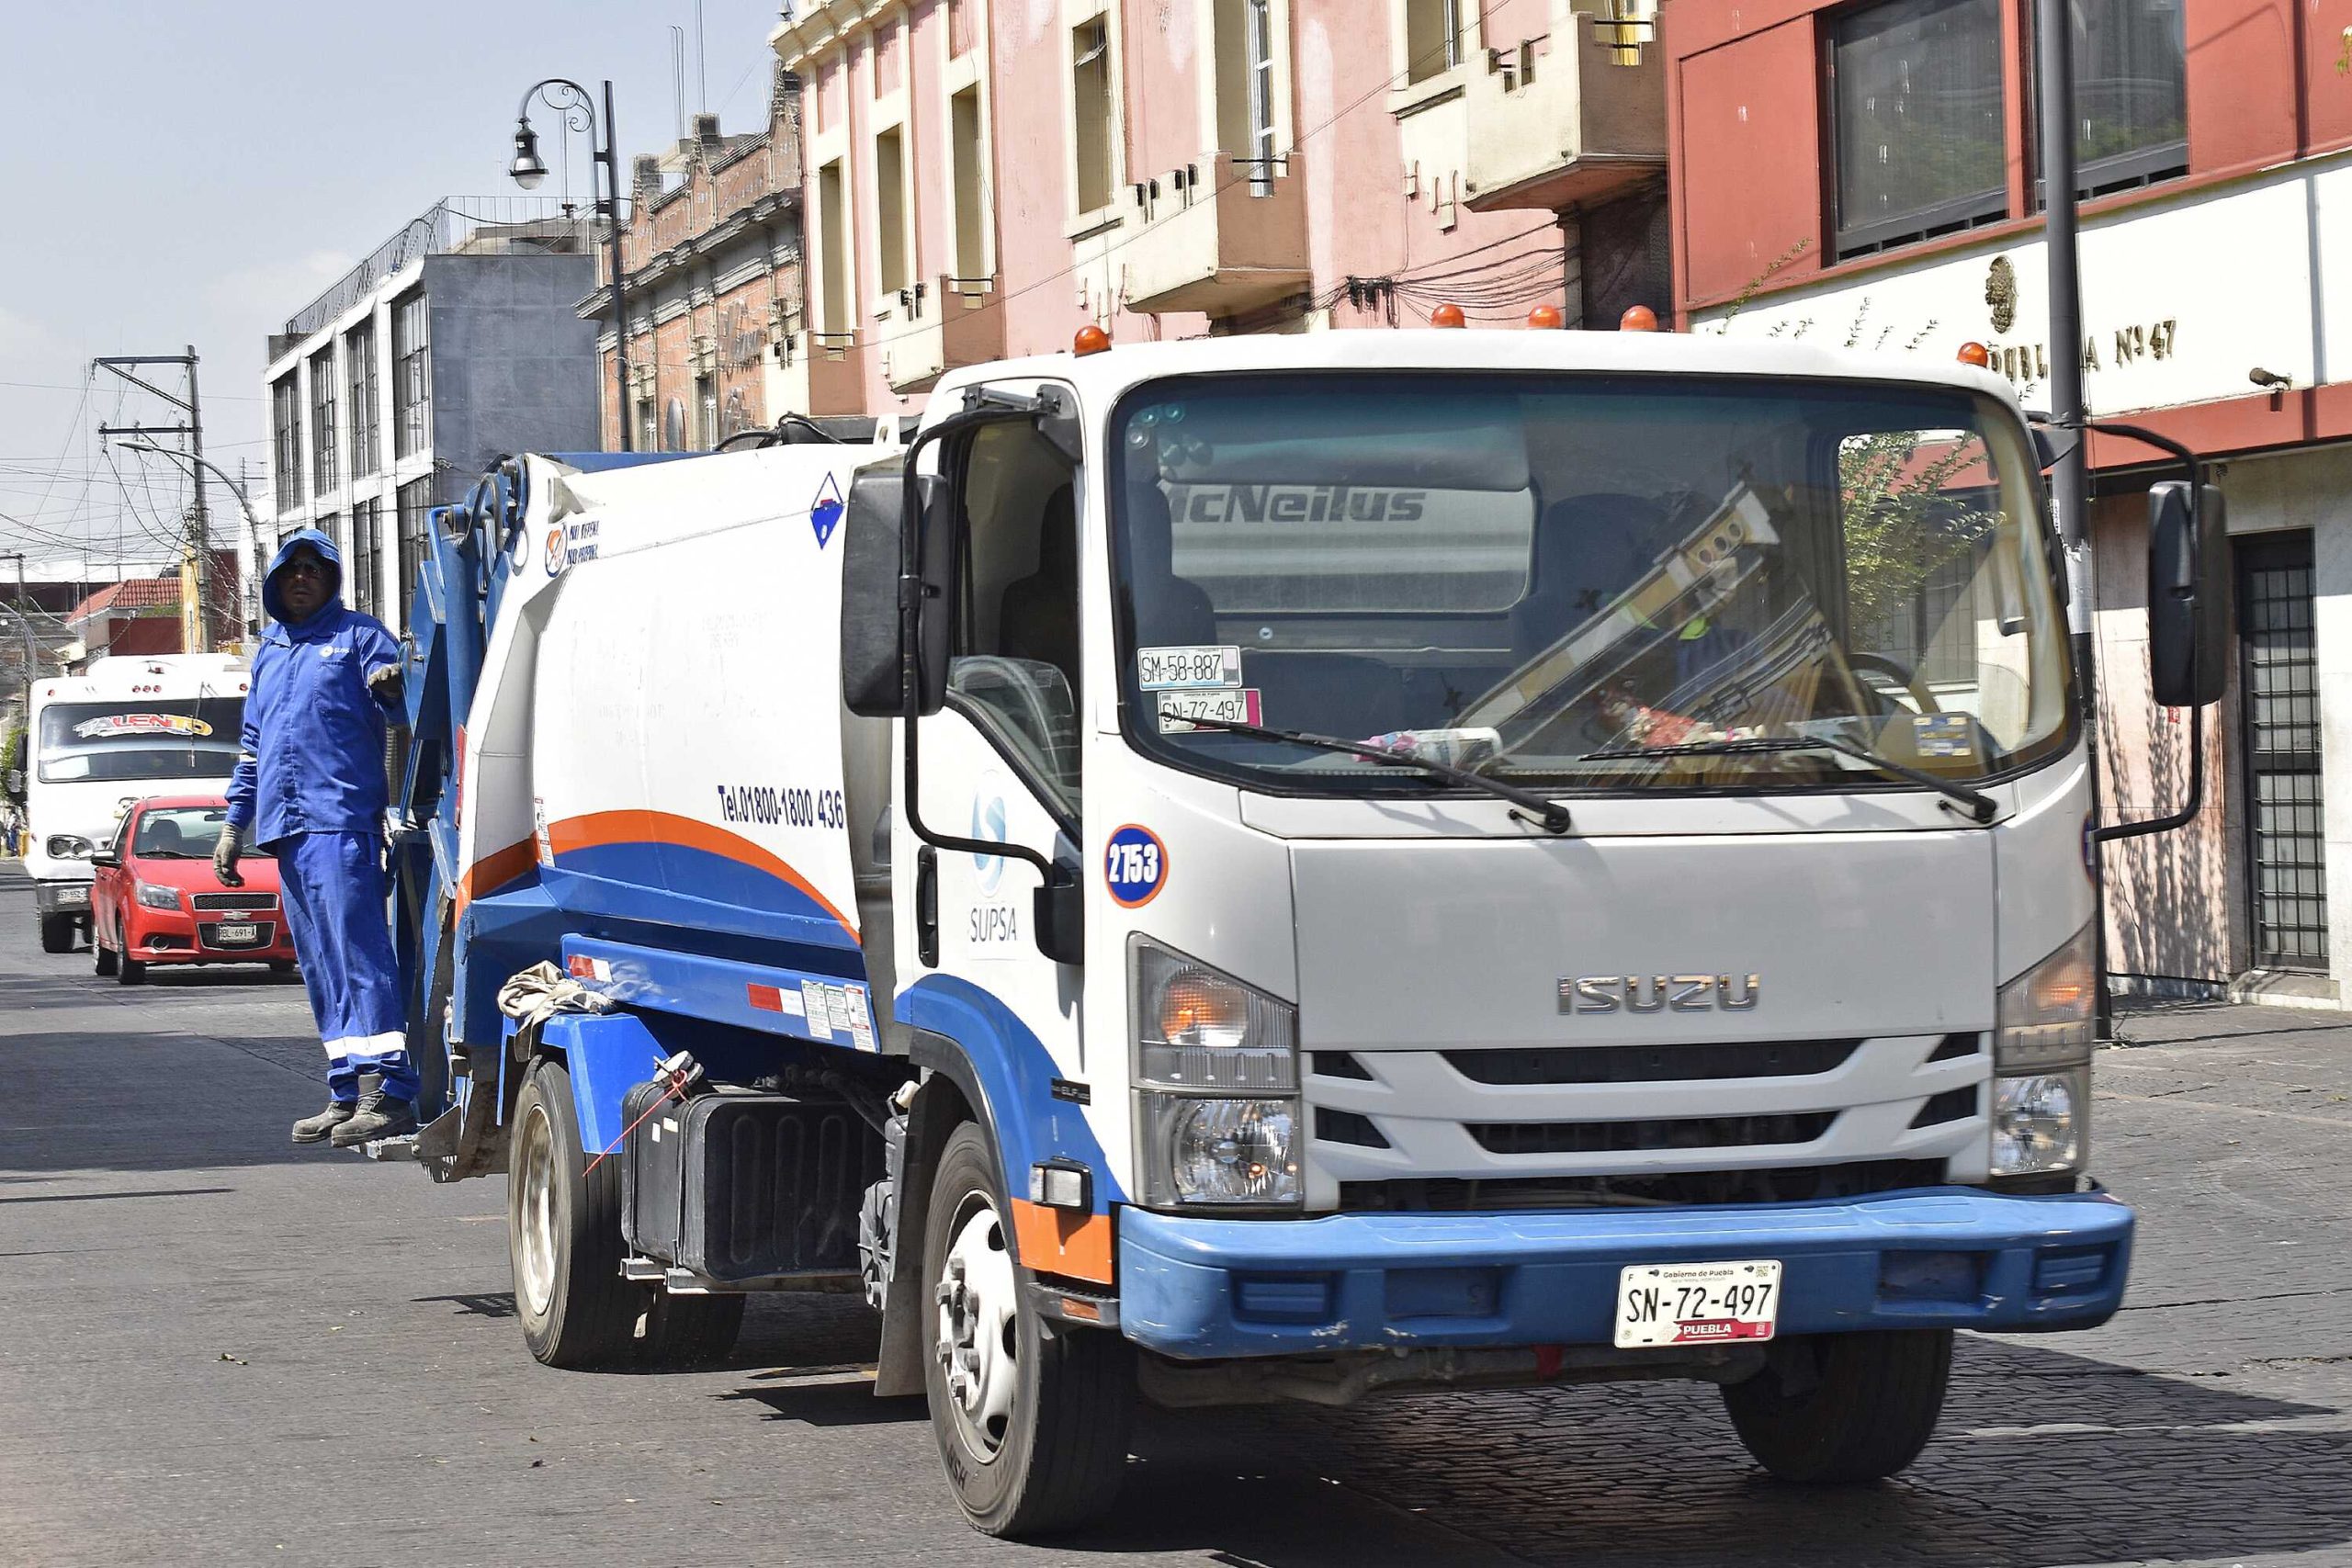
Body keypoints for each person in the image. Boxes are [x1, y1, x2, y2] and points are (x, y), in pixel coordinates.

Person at [219, 529, 415, 1148]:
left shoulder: (359, 636)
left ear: (331, 579)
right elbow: (251, 750)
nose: (303, 576)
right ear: (276, 580)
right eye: (292, 568)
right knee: (321, 965)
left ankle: (395, 1090)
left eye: (315, 568)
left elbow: (409, 711)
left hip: (341, 820)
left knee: (360, 955)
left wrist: (393, 689)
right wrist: (232, 824)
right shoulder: (270, 651)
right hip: (285, 829)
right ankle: (343, 1091)